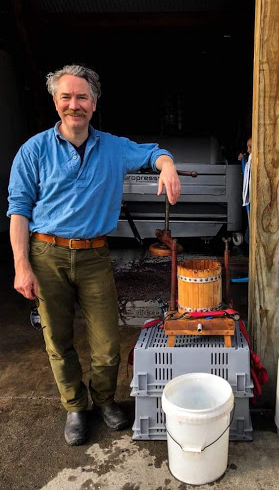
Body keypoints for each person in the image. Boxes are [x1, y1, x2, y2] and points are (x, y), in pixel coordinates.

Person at [7, 64, 181, 446]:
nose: (75, 105)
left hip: (94, 256)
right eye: (66, 97)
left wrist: (167, 167)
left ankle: (104, 400)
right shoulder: (33, 150)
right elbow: (18, 209)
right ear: (55, 102)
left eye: (82, 97)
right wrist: (22, 265)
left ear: (94, 102)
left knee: (106, 340)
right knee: (58, 339)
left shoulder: (113, 147)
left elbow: (154, 152)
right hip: (46, 254)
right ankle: (75, 406)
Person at [238, 137, 252, 244]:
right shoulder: (250, 160)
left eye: (250, 147)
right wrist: (244, 159)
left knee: (249, 236)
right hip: (250, 201)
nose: (248, 150)